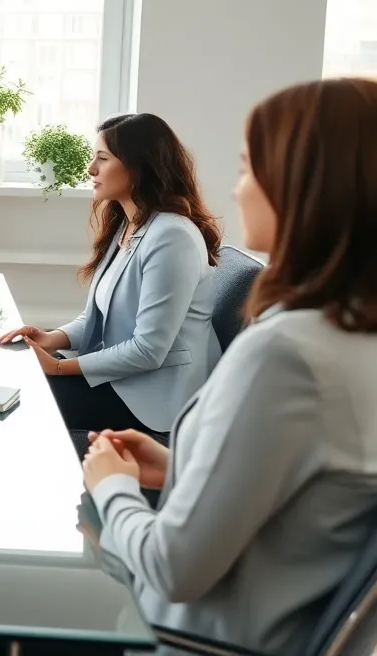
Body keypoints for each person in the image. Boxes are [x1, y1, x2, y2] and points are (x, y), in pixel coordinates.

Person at [83, 78, 377, 655]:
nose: (237, 190)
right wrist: (180, 467)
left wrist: (111, 488)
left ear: (303, 184)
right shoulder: (350, 338)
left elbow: (173, 569)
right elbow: (311, 503)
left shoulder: (286, 354)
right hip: (252, 627)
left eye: (247, 169)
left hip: (182, 637)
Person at [0, 113, 222, 441]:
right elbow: (100, 316)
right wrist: (53, 337)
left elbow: (148, 349)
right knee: (15, 374)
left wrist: (58, 367)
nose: (91, 169)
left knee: (22, 401)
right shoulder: (130, 226)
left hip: (156, 398)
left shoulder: (173, 237)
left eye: (102, 159)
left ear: (138, 167)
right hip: (126, 381)